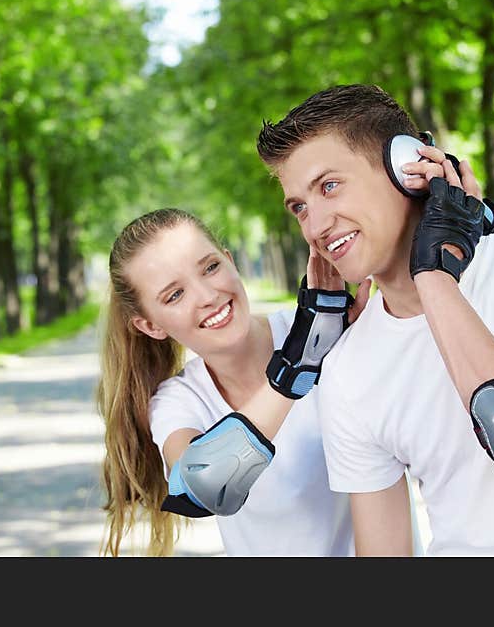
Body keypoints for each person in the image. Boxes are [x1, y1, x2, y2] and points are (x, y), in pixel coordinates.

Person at [256, 84, 494, 555]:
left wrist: (432, 275)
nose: (315, 226)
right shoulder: (349, 369)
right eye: (300, 207)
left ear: (407, 167)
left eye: (329, 186)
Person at [96, 207, 384, 556]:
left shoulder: (327, 327)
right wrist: (298, 366)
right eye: (175, 294)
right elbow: (202, 483)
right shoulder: (180, 400)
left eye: (211, 268)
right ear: (151, 326)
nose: (207, 295)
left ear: (231, 261)